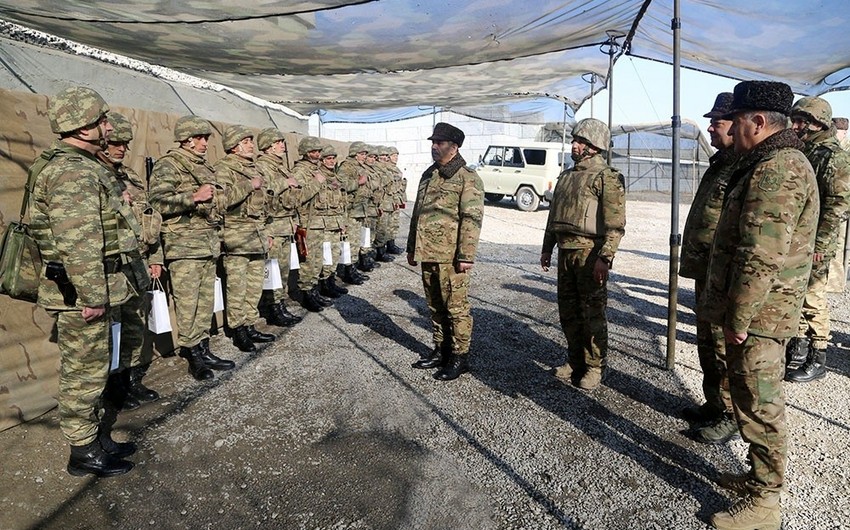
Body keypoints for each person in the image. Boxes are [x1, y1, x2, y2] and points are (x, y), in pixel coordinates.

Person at [700, 80, 818, 530]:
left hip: (761, 315)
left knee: (760, 403)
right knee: (750, 398)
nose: (732, 129)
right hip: (761, 311)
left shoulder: (778, 168)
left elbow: (761, 252)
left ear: (759, 121)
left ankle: (767, 502)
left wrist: (739, 316)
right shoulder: (772, 162)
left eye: (739, 120)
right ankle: (757, 479)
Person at [29, 86, 137, 476]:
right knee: (84, 372)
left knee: (95, 368)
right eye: (101, 121)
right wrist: (92, 295)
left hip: (92, 287)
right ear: (81, 126)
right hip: (82, 292)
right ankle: (82, 451)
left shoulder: (81, 165)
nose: (108, 127)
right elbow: (79, 242)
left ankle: (94, 438)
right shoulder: (72, 171)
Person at [540, 118, 626, 391]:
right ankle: (575, 360)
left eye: (580, 141)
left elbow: (616, 224)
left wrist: (605, 257)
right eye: (575, 140)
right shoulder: (566, 177)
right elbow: (553, 217)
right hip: (566, 253)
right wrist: (547, 247)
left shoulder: (607, 178)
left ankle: (594, 367)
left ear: (594, 146)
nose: (574, 145)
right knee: (569, 312)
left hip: (590, 255)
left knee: (592, 314)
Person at [148, 116, 236, 381]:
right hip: (183, 245)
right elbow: (157, 203)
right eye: (201, 137)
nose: (205, 142)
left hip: (207, 243)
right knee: (188, 304)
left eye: (206, 137)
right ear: (187, 139)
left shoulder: (204, 166)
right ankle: (192, 352)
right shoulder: (169, 165)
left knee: (205, 301)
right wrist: (193, 197)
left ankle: (203, 347)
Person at [678, 94, 739, 444]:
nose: (711, 127)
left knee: (721, 345)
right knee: (706, 341)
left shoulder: (742, 166)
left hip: (723, 273)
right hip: (707, 269)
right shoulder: (722, 163)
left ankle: (731, 413)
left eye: (718, 121)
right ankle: (714, 403)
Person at [97, 111, 164, 409]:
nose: (121, 148)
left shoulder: (130, 175)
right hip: (108, 267)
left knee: (134, 326)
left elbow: (151, 218)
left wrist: (155, 257)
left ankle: (130, 380)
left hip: (136, 262)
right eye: (115, 142)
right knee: (111, 330)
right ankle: (113, 387)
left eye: (125, 143)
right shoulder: (90, 175)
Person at [407, 122, 484, 381]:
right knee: (435, 306)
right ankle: (441, 350)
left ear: (454, 147)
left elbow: (471, 220)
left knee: (456, 308)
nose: (434, 147)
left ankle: (460, 357)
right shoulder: (429, 174)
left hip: (450, 257)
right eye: (433, 142)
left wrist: (465, 256)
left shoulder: (467, 177)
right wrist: (411, 249)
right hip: (428, 253)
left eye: (439, 143)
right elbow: (417, 215)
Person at [784, 97, 850, 383]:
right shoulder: (806, 150)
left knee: (812, 296)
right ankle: (796, 348)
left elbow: (837, 205)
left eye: (803, 122)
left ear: (819, 124)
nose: (797, 126)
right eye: (795, 120)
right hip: (799, 238)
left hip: (816, 243)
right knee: (795, 293)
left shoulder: (833, 157)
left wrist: (821, 245)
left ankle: (817, 355)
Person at [213, 125, 276, 352]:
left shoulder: (255, 168)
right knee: (237, 287)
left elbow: (265, 206)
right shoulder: (223, 169)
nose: (251, 144)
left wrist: (266, 232)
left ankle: (250, 324)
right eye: (246, 141)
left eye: (251, 140)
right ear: (233, 146)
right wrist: (249, 185)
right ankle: (238, 329)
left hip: (256, 235)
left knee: (254, 285)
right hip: (235, 237)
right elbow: (221, 200)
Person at [254, 127, 303, 326]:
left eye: (282, 142)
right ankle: (272, 307)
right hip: (273, 225)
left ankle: (280, 304)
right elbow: (265, 193)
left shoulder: (280, 166)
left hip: (286, 224)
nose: (281, 145)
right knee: (273, 270)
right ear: (266, 147)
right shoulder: (261, 166)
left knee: (282, 270)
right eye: (277, 143)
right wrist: (285, 183)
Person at [289, 136, 330, 311]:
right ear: (305, 153)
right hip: (307, 221)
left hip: (319, 221)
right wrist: (316, 182)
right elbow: (299, 197)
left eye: (319, 151)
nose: (317, 154)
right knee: (308, 260)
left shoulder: (316, 169)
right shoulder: (300, 171)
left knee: (317, 259)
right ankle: (306, 293)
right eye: (313, 151)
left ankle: (314, 290)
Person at [335, 141, 372, 282]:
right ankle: (347, 270)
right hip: (350, 210)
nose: (364, 156)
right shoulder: (347, 167)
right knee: (350, 242)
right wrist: (359, 183)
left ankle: (352, 268)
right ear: (354, 154)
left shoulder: (359, 166)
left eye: (365, 154)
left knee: (356, 241)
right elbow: (341, 185)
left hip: (359, 210)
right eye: (362, 154)